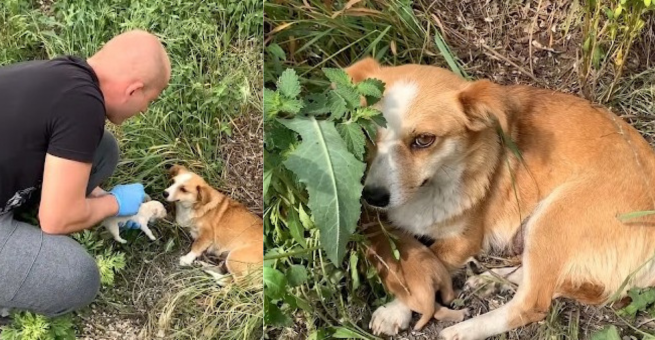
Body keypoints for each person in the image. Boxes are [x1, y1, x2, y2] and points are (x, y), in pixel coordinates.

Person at [0, 29, 171, 319]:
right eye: (149, 100)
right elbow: (56, 221)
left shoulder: (63, 74)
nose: (144, 110)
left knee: (103, 149)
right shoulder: (84, 106)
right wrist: (116, 203)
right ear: (133, 90)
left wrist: (97, 199)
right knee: (78, 277)